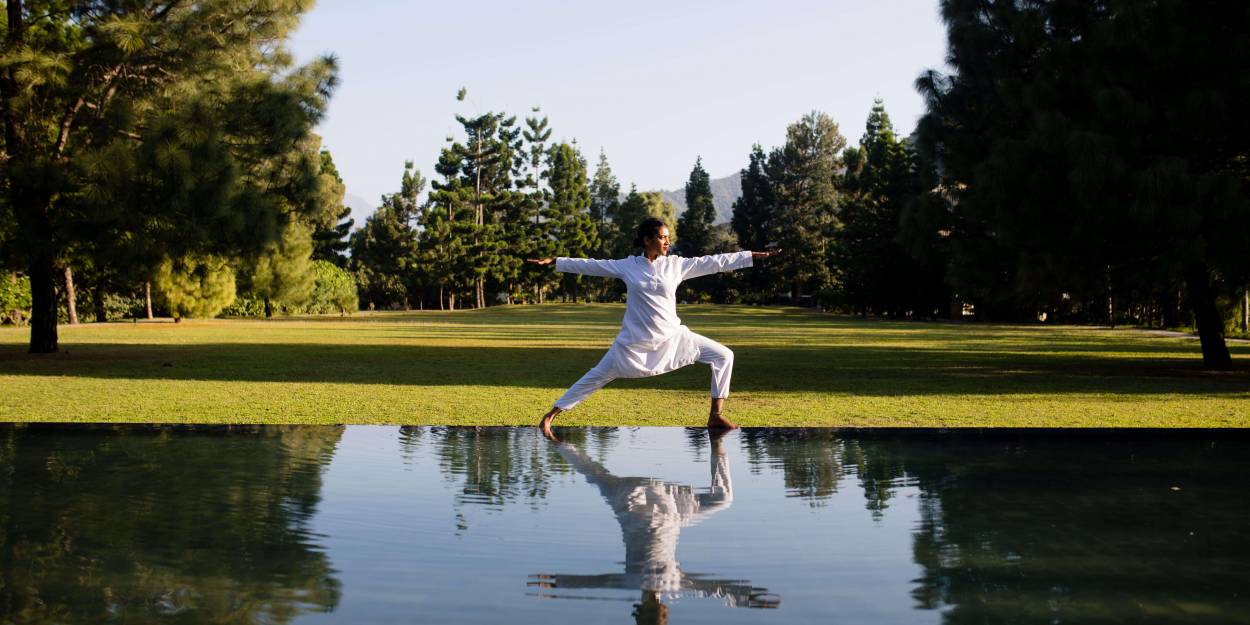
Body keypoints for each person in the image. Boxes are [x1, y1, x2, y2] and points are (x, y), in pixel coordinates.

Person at [527, 218, 777, 434]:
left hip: (674, 338)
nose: (667, 242)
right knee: (595, 377)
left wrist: (751, 256)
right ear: (647, 240)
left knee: (724, 355)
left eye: (669, 238)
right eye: (662, 237)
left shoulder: (677, 265)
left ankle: (715, 415)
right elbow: (590, 264)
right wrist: (554, 261)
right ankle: (550, 416)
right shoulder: (628, 266)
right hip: (633, 343)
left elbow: (715, 261)